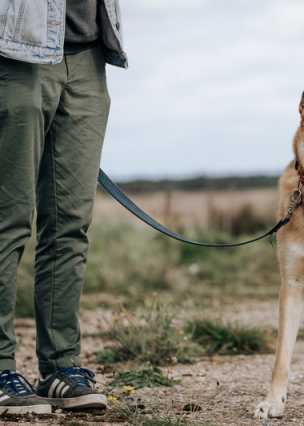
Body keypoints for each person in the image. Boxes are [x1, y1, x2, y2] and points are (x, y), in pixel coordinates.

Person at [0, 0, 126, 414]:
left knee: (70, 224)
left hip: (89, 55)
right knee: (9, 222)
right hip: (17, 50)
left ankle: (60, 367)